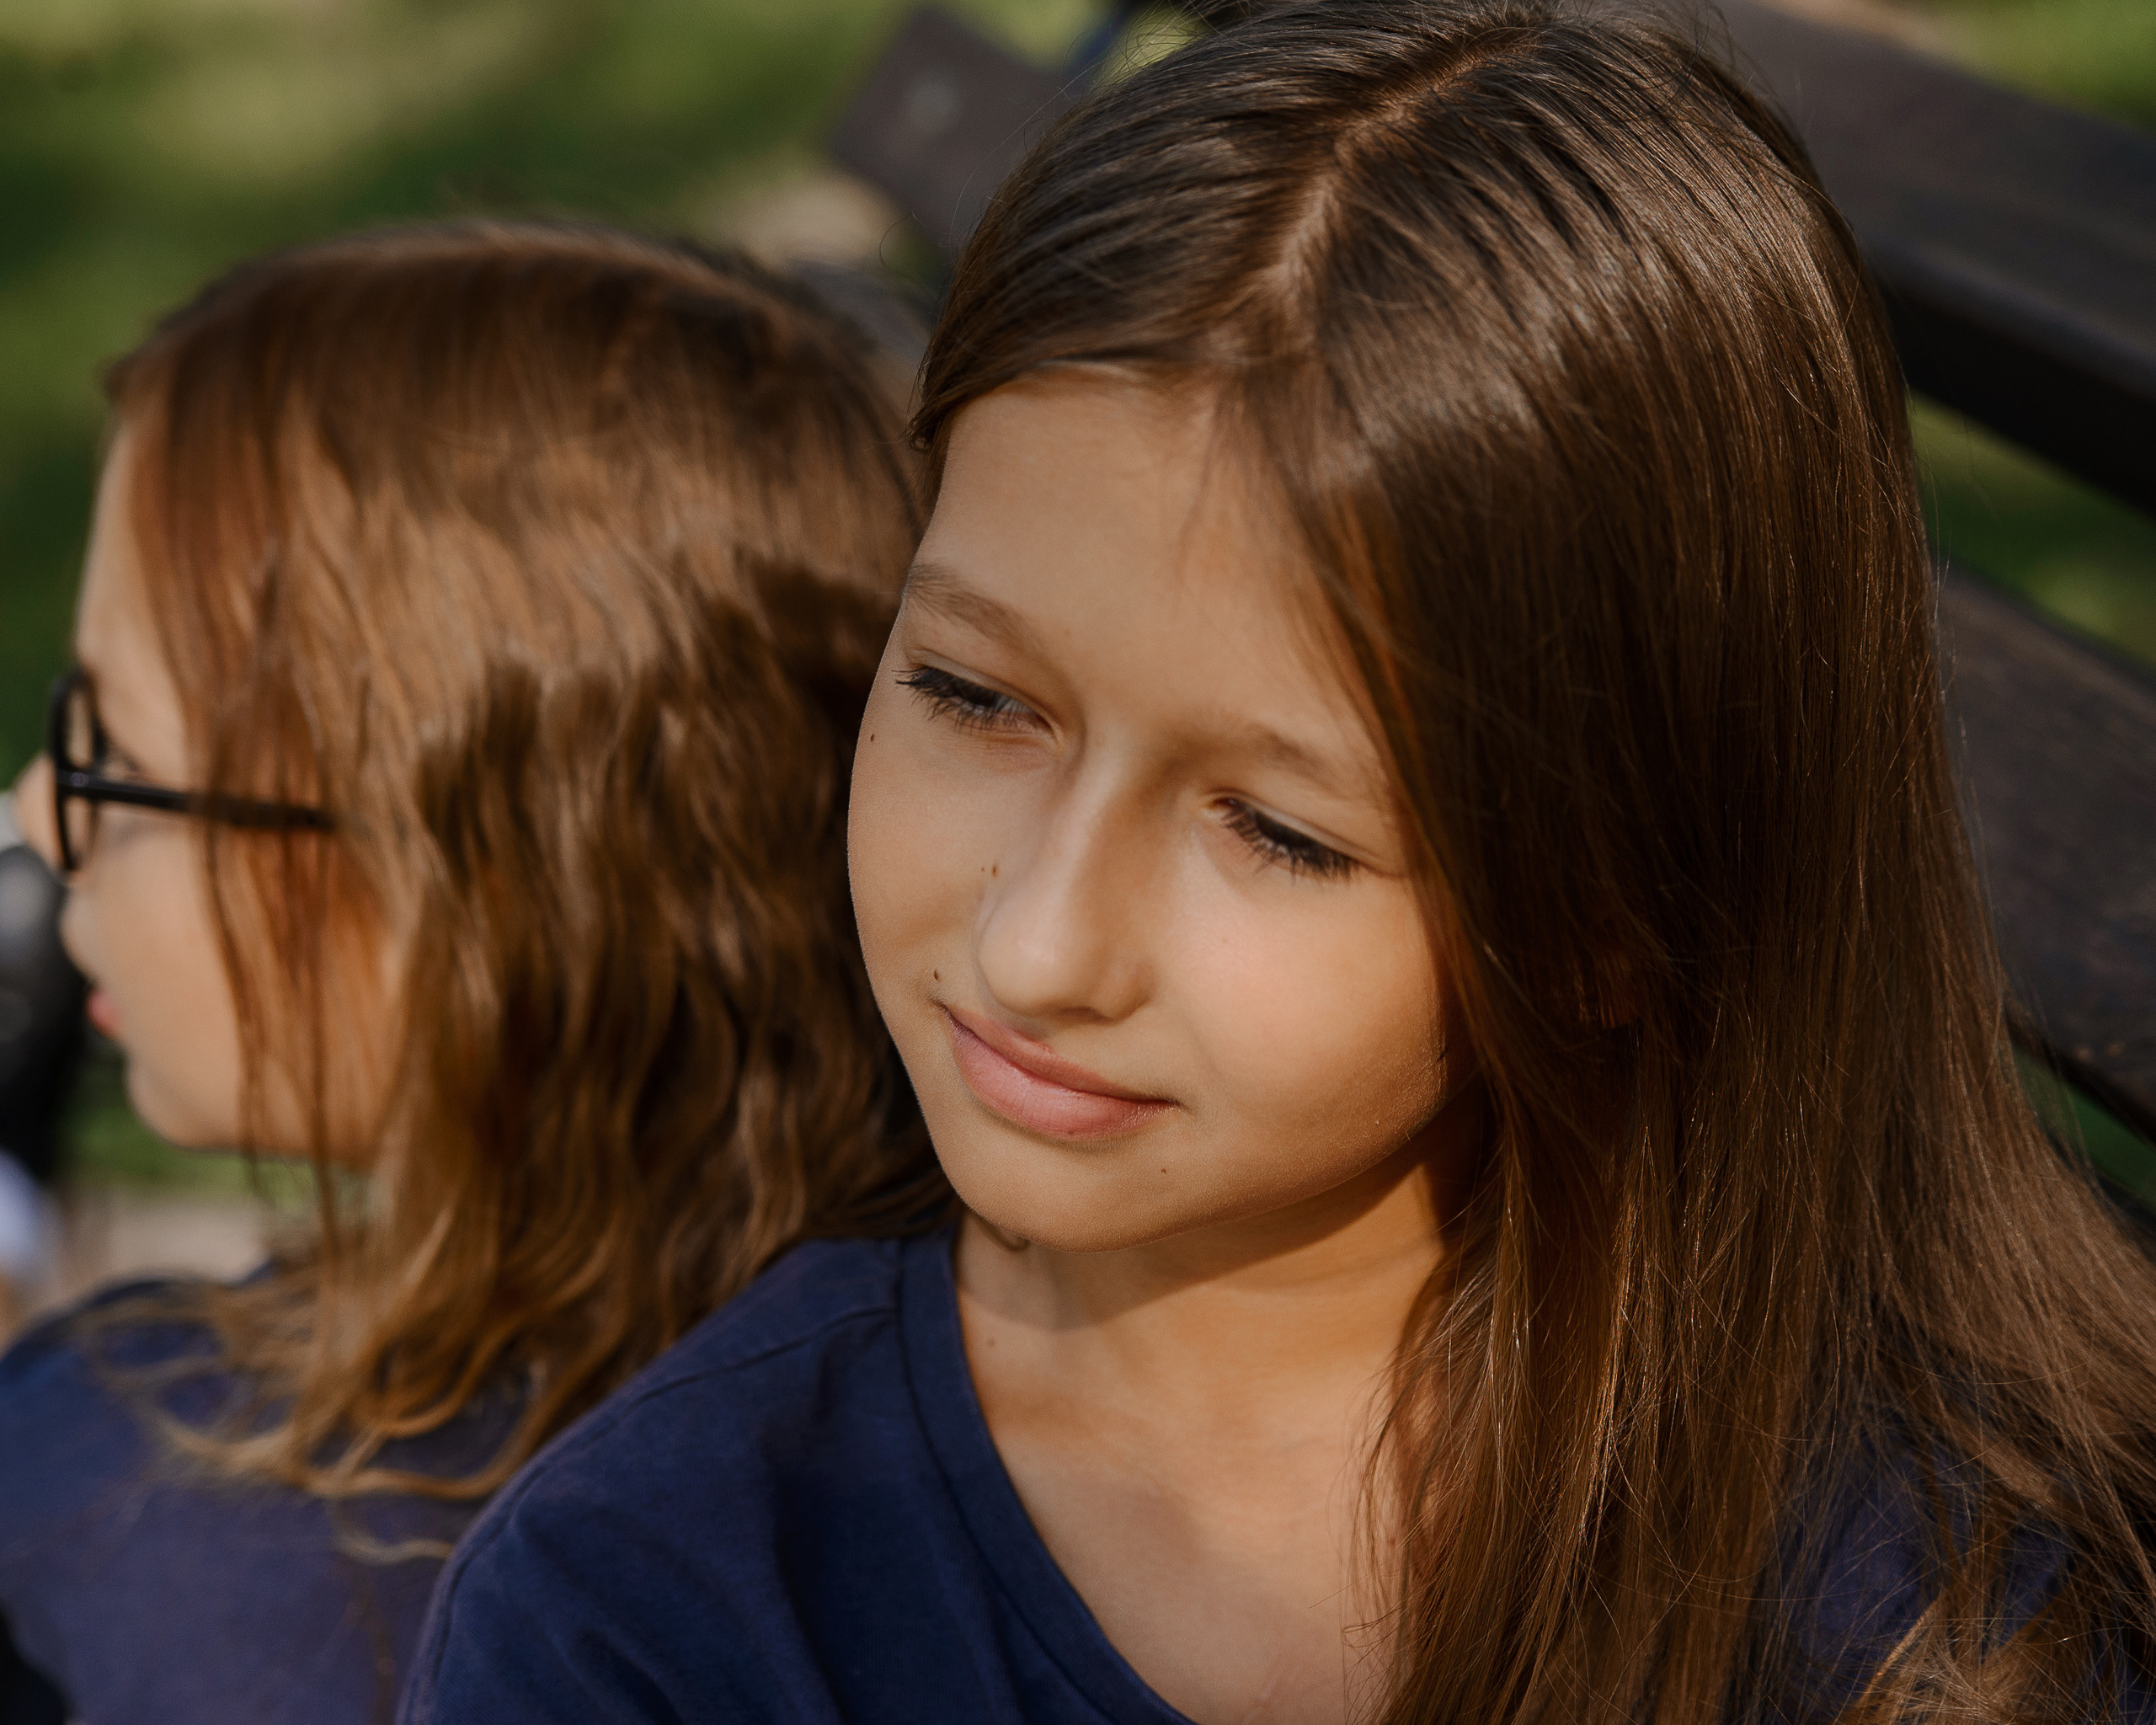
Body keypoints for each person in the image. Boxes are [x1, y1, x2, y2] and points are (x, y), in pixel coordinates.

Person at [399, 5, 2156, 1722]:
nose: (1036, 946)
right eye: (968, 692)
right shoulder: (655, 1611)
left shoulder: (1952, 1593)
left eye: (1277, 829)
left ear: (1624, 910)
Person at [0, 222, 941, 1725]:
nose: (44, 815)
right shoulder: (885, 1449)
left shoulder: (136, 1520)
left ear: (470, 896)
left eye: (110, 748)